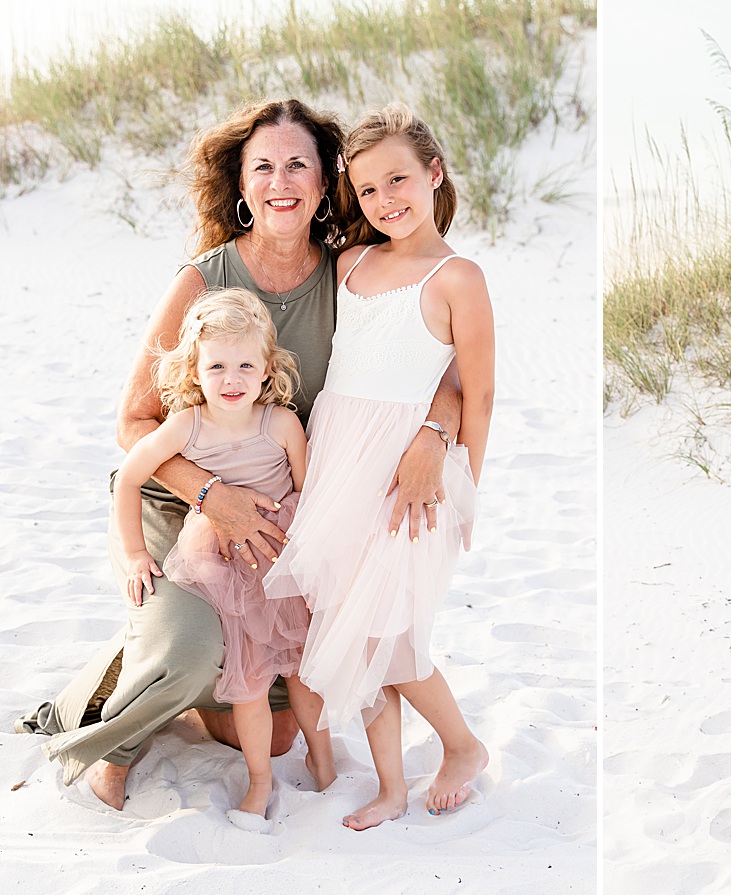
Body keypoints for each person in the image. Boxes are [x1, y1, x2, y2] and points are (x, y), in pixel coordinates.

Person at [16, 99, 462, 813]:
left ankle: (156, 656)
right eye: (264, 167)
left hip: (281, 516)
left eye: (298, 165)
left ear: (325, 185)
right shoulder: (204, 278)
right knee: (195, 653)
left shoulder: (350, 276)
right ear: (243, 184)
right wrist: (206, 495)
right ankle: (117, 719)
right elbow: (133, 421)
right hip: (178, 499)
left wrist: (435, 435)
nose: (280, 180)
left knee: (275, 732)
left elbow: (441, 365)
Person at [264, 103, 494, 831]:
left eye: (399, 179)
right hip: (339, 463)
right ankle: (391, 785)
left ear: (434, 172)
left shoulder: (459, 276)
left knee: (388, 634)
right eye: (367, 190)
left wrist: (466, 489)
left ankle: (462, 745)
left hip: (405, 478)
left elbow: (477, 388)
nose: (386, 199)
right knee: (349, 619)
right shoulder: (350, 263)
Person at [113, 288, 335, 830]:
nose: (231, 379)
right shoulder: (186, 425)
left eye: (244, 365)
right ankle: (260, 782)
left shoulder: (281, 423)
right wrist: (136, 553)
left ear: (267, 369)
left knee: (306, 671)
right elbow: (129, 480)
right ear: (193, 369)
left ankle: (325, 763)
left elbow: (309, 495)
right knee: (250, 679)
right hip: (220, 562)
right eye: (216, 366)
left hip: (280, 558)